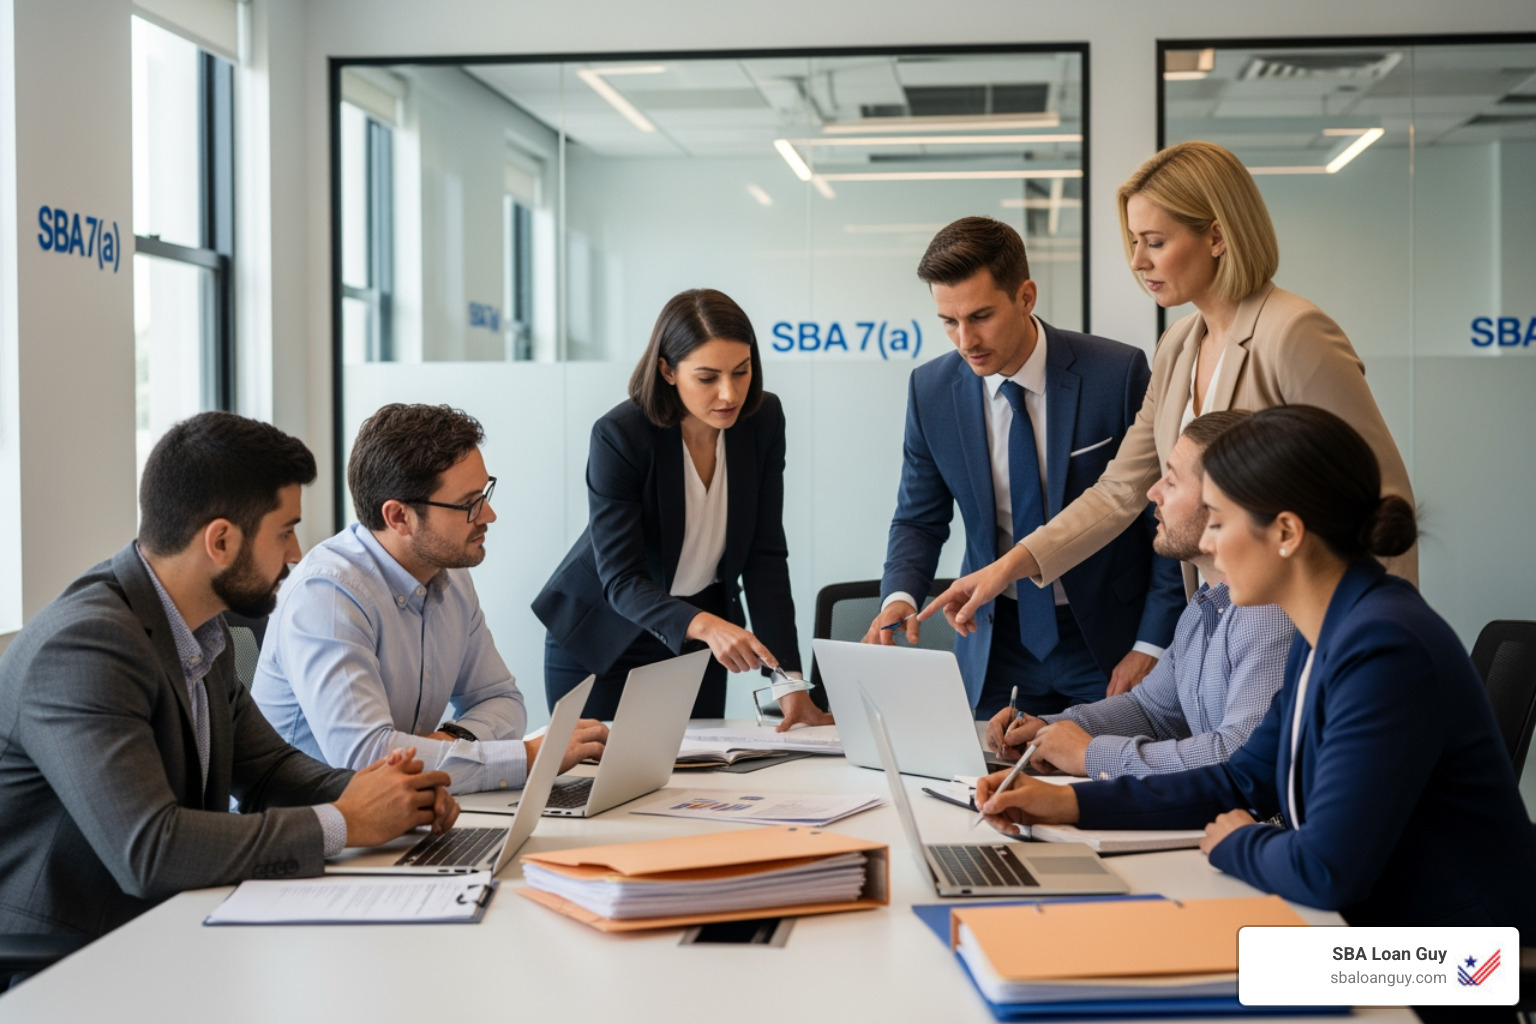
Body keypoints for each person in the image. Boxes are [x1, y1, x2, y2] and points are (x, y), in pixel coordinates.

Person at [976, 405, 1536, 933]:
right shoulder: (1331, 629)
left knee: (1187, 981)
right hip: (1368, 925)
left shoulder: (1383, 648)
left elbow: (1326, 869)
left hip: (1449, 961)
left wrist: (1238, 842)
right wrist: (1070, 803)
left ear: (1287, 533)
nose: (1212, 546)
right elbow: (1243, 777)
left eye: (1219, 522)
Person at [922, 141, 1416, 641]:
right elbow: (1120, 490)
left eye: (1155, 242)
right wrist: (1007, 568)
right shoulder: (1178, 344)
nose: (1138, 261)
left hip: (1306, 625)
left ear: (1218, 236)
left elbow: (1381, 498)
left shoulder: (1294, 333)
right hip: (1220, 625)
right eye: (1135, 241)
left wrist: (1382, 640)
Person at [0, 412, 457, 942]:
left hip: (165, 927)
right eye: (285, 531)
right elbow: (151, 850)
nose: (295, 554)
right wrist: (345, 820)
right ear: (220, 541)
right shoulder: (85, 646)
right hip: (63, 962)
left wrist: (391, 794)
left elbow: (266, 769)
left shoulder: (198, 625)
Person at [864, 217, 1184, 719]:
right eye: (949, 321)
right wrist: (898, 595)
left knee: (1105, 783)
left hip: (1105, 638)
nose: (965, 339)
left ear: (1026, 297)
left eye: (981, 316)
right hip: (994, 639)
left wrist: (1152, 643)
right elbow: (918, 518)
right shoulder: (930, 391)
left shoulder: (1116, 374)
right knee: (987, 789)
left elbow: (1164, 518)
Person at [253, 404, 608, 795]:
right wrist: (527, 758)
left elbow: (502, 700)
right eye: (468, 503)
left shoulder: (449, 574)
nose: (488, 514)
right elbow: (369, 760)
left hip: (405, 814)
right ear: (399, 517)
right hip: (317, 830)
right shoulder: (328, 595)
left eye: (485, 493)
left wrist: (452, 739)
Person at [534, 288, 826, 728]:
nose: (729, 394)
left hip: (698, 639)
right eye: (707, 377)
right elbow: (623, 578)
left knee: (699, 786)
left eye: (741, 372)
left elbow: (765, 557)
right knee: (602, 787)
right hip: (605, 637)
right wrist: (707, 626)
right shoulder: (621, 435)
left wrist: (787, 684)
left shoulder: (762, 421)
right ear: (668, 371)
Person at [983, 410, 1293, 778]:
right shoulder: (1204, 605)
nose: (1153, 492)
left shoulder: (1270, 615)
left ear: (1223, 502)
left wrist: (1090, 755)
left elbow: (1236, 756)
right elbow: (1152, 711)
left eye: (1173, 482)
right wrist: (1047, 729)